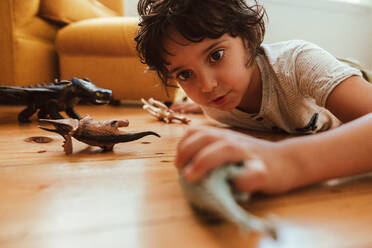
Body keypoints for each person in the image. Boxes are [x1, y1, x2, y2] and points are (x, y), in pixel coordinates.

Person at [135, 0, 372, 193]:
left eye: (216, 55)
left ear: (248, 37)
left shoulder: (299, 64)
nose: (207, 86)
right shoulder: (214, 102)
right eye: (186, 74)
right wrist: (196, 106)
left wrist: (285, 161)